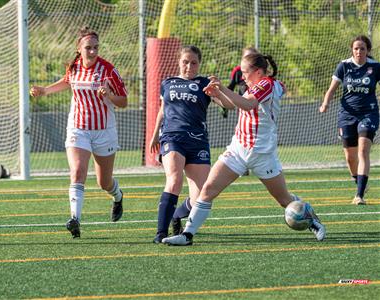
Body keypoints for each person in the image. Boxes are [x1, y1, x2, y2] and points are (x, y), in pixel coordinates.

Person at [161, 52, 326, 246]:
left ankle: (313, 221)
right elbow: (236, 104)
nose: (242, 77)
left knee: (284, 199)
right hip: (238, 150)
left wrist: (222, 87)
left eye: (245, 72)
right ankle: (187, 235)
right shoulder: (257, 85)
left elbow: (248, 104)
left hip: (262, 154)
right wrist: (218, 94)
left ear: (257, 72)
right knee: (207, 190)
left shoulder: (267, 84)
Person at [30, 26, 128, 238]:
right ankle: (75, 219)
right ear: (79, 48)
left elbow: (124, 101)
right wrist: (45, 90)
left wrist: (110, 96)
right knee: (77, 171)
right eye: (88, 48)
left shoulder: (108, 70)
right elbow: (67, 81)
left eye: (96, 48)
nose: (92, 52)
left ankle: (118, 196)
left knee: (105, 182)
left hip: (104, 131)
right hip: (78, 127)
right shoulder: (74, 66)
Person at [150, 45, 227, 243]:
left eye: (194, 62)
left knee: (200, 198)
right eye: (185, 62)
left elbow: (228, 105)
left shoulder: (204, 83)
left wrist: (218, 91)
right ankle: (161, 233)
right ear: (179, 62)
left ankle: (177, 214)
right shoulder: (168, 82)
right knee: (174, 180)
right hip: (172, 137)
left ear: (199, 64)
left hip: (198, 142)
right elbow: (163, 108)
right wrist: (155, 135)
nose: (189, 66)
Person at [320, 35, 379, 205]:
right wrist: (325, 103)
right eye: (356, 48)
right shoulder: (344, 66)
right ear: (352, 50)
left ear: (368, 50)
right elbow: (332, 89)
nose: (359, 51)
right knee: (350, 157)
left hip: (369, 114)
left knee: (363, 151)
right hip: (347, 115)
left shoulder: (375, 67)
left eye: (362, 48)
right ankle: (358, 180)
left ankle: (359, 195)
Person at [220, 46, 259, 118]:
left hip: (259, 109)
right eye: (247, 57)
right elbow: (230, 87)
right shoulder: (238, 71)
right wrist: (223, 102)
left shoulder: (260, 72)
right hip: (243, 109)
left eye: (252, 57)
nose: (249, 60)